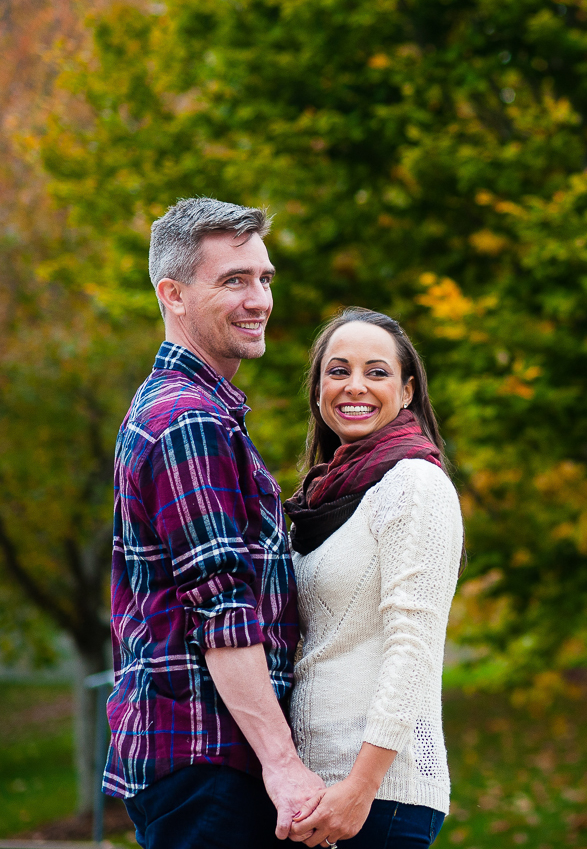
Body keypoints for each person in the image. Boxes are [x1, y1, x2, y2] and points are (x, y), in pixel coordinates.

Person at [107, 197, 324, 848]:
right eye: (234, 280)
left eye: (264, 278)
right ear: (172, 294)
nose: (259, 299)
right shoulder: (189, 419)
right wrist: (283, 766)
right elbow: (222, 609)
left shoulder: (199, 409)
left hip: (206, 764)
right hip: (209, 763)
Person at [283, 308, 463, 849]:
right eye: (337, 371)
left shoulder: (414, 485)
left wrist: (361, 786)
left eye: (376, 372)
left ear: (407, 392)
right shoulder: (323, 497)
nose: (354, 386)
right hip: (317, 793)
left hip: (379, 796)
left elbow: (415, 647)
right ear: (317, 391)